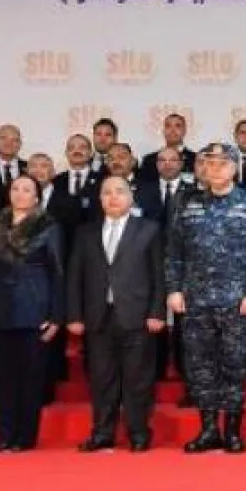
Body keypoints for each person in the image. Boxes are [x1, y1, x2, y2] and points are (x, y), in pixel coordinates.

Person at [167, 143, 246, 454]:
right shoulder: (187, 203)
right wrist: (173, 289)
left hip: (235, 300)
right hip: (196, 299)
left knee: (233, 365)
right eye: (208, 163)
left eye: (221, 163)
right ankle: (208, 429)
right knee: (200, 366)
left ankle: (233, 431)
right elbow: (174, 251)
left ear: (234, 168)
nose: (214, 169)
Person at [67, 176, 165, 453]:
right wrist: (74, 314)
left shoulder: (149, 229)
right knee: (101, 378)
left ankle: (138, 432)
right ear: (99, 199)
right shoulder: (85, 232)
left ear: (130, 198)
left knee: (138, 379)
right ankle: (102, 432)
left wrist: (157, 311)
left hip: (138, 315)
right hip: (99, 316)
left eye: (119, 192)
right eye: (107, 192)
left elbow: (159, 274)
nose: (113, 197)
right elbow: (75, 275)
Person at [0, 175, 63, 452]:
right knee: (2, 379)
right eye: (16, 189)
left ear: (37, 197)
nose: (20, 194)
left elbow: (57, 272)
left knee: (30, 379)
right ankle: (3, 436)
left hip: (34, 309)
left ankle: (24, 438)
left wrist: (57, 315)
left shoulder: (48, 225)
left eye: (27, 190)